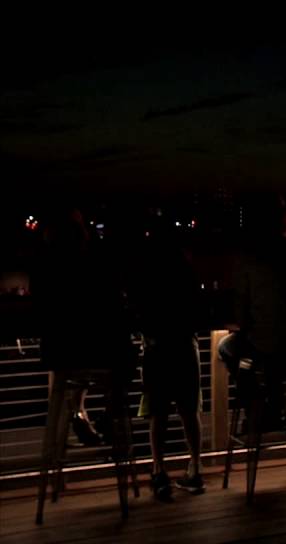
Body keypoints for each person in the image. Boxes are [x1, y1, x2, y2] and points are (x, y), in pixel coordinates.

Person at [32, 209, 135, 450]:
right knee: (125, 354)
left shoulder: (46, 267)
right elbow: (112, 304)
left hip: (58, 352)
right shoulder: (91, 269)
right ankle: (111, 416)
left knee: (81, 368)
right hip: (92, 352)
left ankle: (81, 414)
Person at [218, 193, 286, 426]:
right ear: (282, 220)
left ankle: (257, 407)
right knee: (271, 354)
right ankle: (273, 405)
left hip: (265, 346)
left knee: (226, 347)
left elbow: (240, 315)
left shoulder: (247, 257)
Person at [131, 223, 205, 499]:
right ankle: (195, 467)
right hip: (185, 345)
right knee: (189, 411)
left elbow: (138, 313)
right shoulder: (186, 272)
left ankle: (158, 472)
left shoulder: (144, 274)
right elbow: (198, 312)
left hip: (157, 348)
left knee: (158, 413)